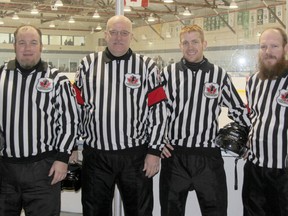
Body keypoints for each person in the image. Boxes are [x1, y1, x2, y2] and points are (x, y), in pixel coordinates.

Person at [73, 15, 167, 216]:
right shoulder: (87, 64)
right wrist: (71, 144)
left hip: (135, 155)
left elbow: (158, 111)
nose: (118, 37)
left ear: (131, 36)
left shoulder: (148, 66)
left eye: (124, 33)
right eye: (113, 32)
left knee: (140, 211)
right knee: (94, 211)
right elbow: (76, 107)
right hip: (96, 155)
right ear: (105, 35)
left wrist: (154, 151)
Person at [160, 24, 251, 216]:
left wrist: (251, 135)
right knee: (170, 212)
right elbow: (155, 111)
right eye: (185, 42)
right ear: (180, 46)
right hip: (175, 157)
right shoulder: (167, 74)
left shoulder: (218, 75)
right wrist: (158, 141)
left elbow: (237, 109)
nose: (190, 47)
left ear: (204, 44)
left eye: (195, 42)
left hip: (208, 158)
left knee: (216, 212)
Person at [0, 25, 79, 216]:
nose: (27, 48)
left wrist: (62, 159)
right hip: (5, 171)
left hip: (44, 170)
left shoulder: (57, 79)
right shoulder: (0, 75)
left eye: (33, 43)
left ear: (41, 46)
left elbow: (70, 121)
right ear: (14, 46)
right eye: (22, 43)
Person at [243, 27, 288, 216]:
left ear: (286, 48)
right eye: (263, 47)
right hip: (255, 168)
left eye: (274, 46)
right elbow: (254, 116)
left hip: (284, 171)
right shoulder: (253, 81)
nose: (268, 52)